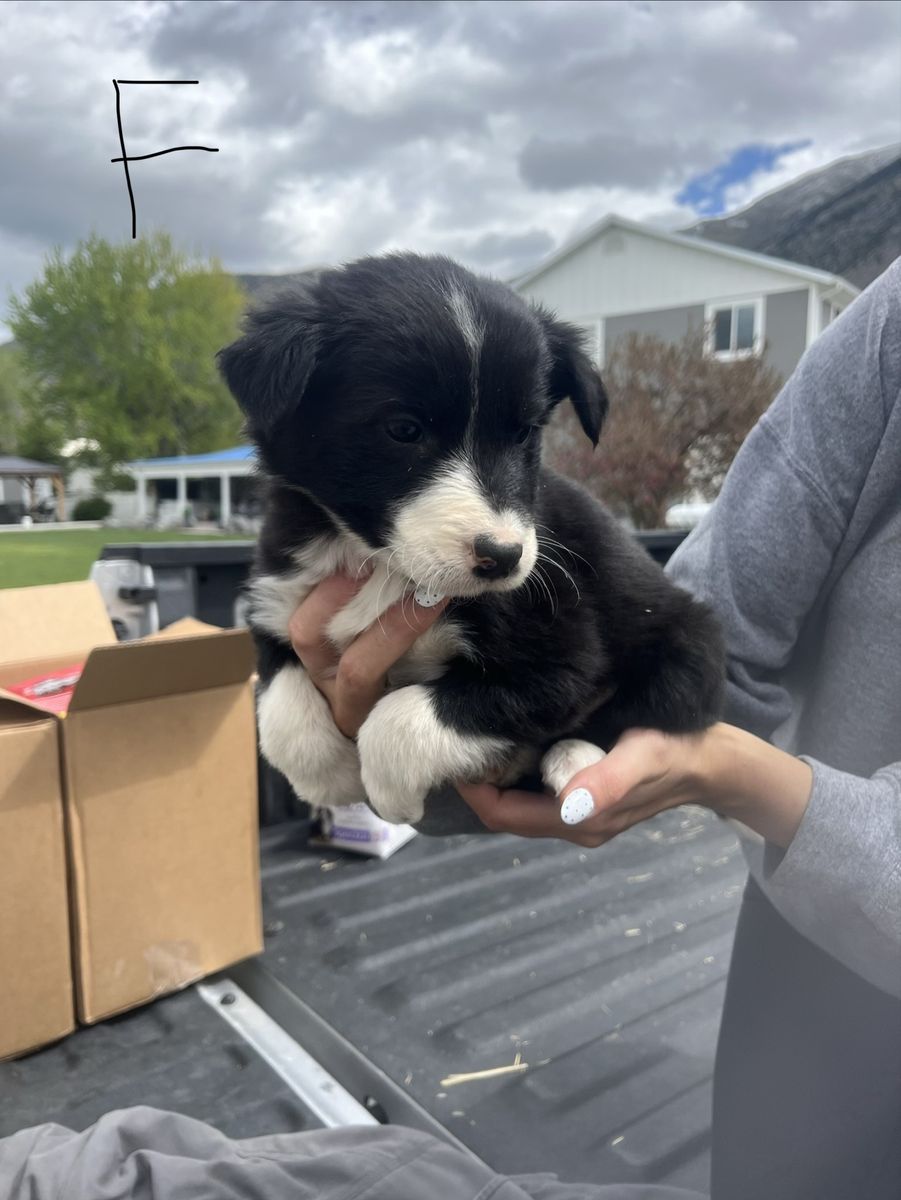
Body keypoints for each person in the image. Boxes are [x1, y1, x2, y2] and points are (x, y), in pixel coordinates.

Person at [284, 259, 901, 1199]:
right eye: (407, 430)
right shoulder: (890, 322)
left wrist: (731, 773)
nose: (499, 520)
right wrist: (446, 762)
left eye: (521, 435)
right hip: (814, 941)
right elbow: (717, 636)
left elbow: (593, 667)